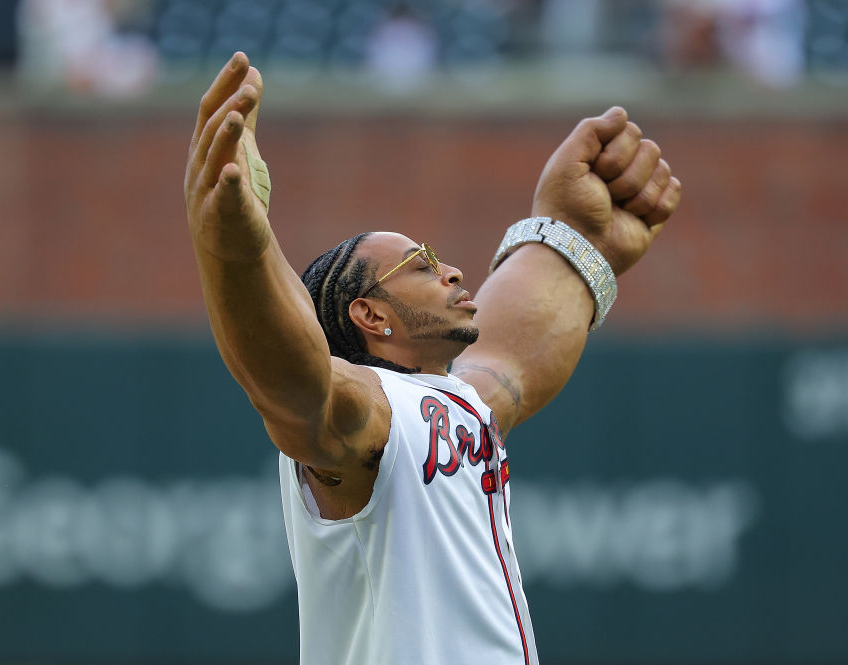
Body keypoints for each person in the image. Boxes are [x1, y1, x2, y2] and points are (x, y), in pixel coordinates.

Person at [184, 52, 681, 665]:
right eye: (419, 265)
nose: (450, 270)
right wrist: (238, 249)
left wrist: (575, 234)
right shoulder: (363, 414)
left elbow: (511, 366)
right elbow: (293, 384)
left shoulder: (452, 403)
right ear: (370, 315)